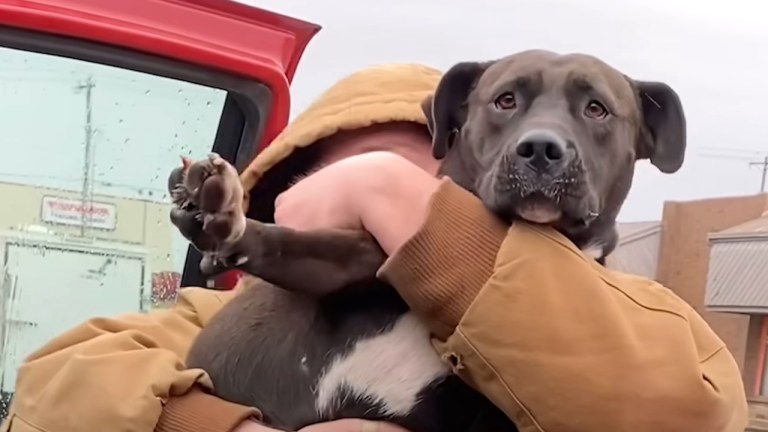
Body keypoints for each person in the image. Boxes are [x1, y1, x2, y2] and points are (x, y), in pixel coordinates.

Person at [0, 63, 748, 432]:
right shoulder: (216, 312)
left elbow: (692, 408)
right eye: (347, 177)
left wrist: (418, 221)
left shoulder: (637, 315)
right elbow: (55, 380)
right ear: (291, 195)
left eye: (405, 176)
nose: (376, 197)